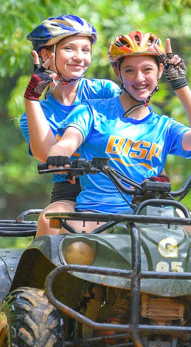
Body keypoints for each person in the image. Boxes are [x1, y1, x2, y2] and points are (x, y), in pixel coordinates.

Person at [45, 30, 191, 240]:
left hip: (152, 215)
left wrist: (179, 83)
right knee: (69, 239)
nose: (139, 78)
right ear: (118, 72)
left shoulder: (163, 126)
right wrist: (59, 152)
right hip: (98, 214)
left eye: (147, 70)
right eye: (130, 70)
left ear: (161, 71)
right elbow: (70, 140)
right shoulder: (91, 111)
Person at [21, 15, 121, 236]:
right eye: (69, 49)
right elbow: (46, 155)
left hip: (120, 187)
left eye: (86, 50)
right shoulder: (38, 112)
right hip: (71, 193)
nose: (80, 57)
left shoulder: (105, 91)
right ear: (46, 54)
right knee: (50, 220)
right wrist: (31, 98)